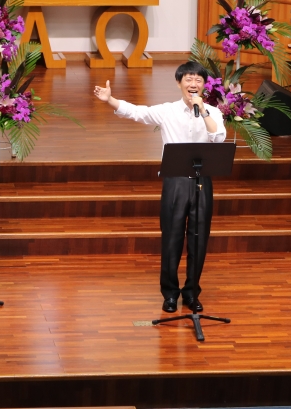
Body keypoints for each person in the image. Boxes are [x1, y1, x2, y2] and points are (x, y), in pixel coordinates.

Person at [93, 62, 225, 314]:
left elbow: (218, 137)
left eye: (198, 80)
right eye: (188, 79)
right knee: (172, 238)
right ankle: (170, 294)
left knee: (199, 240)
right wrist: (110, 100)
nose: (193, 84)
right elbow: (137, 112)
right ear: (179, 83)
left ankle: (192, 292)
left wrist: (203, 111)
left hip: (202, 182)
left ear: (204, 85)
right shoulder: (167, 111)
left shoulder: (213, 112)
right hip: (175, 182)